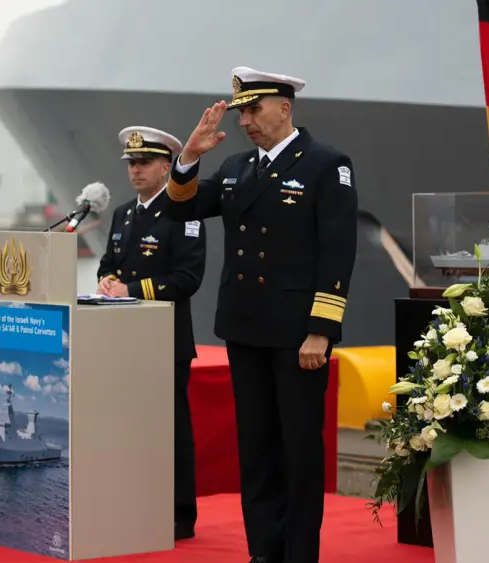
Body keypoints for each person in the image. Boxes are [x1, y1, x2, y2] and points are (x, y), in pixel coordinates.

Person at [161, 68, 358, 563]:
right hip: (245, 327)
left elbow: (338, 252)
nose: (246, 120)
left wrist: (321, 330)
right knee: (256, 448)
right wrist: (188, 157)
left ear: (285, 107)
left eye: (254, 109)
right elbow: (180, 207)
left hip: (297, 335)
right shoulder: (234, 167)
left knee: (297, 449)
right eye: (241, 111)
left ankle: (297, 555)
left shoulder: (326, 164)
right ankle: (263, 552)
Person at [96, 125, 207, 541]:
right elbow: (109, 261)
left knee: (171, 428)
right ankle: (132, 501)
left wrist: (132, 289)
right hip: (124, 339)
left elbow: (188, 277)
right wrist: (107, 280)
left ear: (166, 167)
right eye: (131, 163)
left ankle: (180, 513)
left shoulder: (186, 212)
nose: (135, 170)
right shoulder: (124, 213)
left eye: (144, 163)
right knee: (129, 426)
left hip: (165, 340)